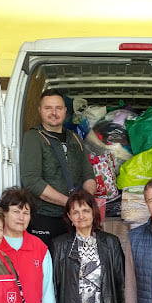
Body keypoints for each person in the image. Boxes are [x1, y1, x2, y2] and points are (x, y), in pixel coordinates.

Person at [20, 88, 96, 249]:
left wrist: (85, 202)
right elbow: (32, 181)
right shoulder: (33, 137)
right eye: (48, 108)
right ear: (40, 110)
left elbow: (88, 174)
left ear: (65, 111)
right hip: (45, 217)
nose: (54, 113)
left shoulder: (74, 137)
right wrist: (70, 203)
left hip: (74, 217)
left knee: (74, 260)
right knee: (48, 261)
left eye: (58, 108)